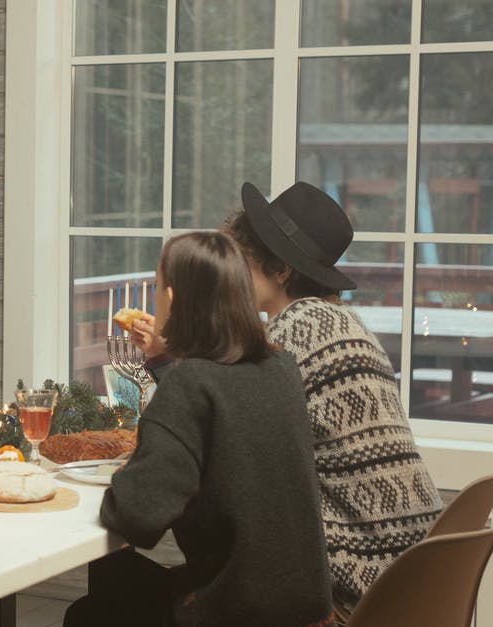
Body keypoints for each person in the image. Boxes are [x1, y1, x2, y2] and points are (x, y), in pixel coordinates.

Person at [65, 231, 334, 627]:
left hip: (240, 614)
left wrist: (128, 473)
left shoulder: (191, 384)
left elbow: (137, 517)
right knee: (116, 580)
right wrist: (161, 359)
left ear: (171, 300)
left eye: (157, 287)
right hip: (308, 612)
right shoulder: (282, 368)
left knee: (89, 614)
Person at [220, 181, 442, 613]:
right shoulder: (345, 323)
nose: (231, 275)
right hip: (414, 582)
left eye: (241, 261)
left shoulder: (296, 331)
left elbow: (224, 434)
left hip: (355, 591)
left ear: (281, 269)